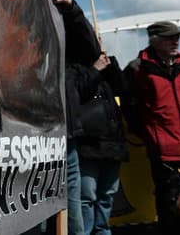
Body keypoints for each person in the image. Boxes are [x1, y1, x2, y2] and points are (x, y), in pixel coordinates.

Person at [123, 21, 180, 234]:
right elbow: (128, 104)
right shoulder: (137, 68)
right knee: (167, 202)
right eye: (170, 37)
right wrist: (146, 132)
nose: (176, 40)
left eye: (177, 36)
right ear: (155, 40)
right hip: (163, 149)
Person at [73, 46, 127, 235]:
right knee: (86, 196)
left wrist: (110, 65)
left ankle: (103, 231)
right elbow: (78, 91)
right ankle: (86, 231)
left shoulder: (107, 65)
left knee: (107, 195)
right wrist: (95, 70)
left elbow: (122, 88)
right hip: (88, 144)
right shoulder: (73, 68)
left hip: (112, 143)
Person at [52, 0, 87, 235]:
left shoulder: (62, 16)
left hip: (67, 135)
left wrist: (72, 9)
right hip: (28, 138)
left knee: (73, 211)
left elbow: (90, 50)